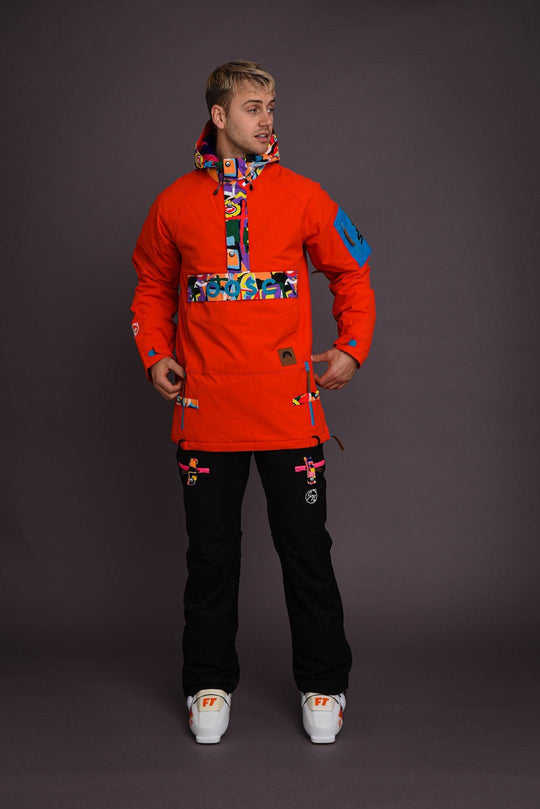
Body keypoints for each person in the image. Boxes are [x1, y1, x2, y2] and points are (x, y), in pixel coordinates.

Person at [129, 60, 376, 744]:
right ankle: (208, 681)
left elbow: (352, 271)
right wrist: (154, 353)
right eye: (252, 107)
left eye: (271, 106)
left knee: (307, 552)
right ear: (218, 116)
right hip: (207, 413)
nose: (267, 119)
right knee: (211, 557)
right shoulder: (173, 204)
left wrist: (352, 347)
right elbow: (151, 285)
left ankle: (324, 682)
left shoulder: (304, 195)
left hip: (288, 411)